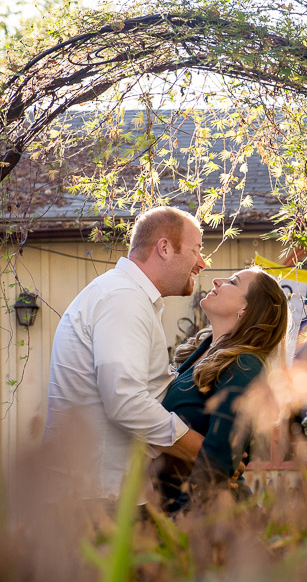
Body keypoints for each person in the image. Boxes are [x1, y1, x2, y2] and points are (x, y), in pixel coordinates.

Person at [43, 206, 207, 502]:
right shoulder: (123, 299)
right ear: (165, 248)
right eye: (196, 250)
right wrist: (206, 454)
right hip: (97, 500)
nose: (202, 263)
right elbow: (125, 400)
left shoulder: (127, 297)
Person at [155, 266, 289, 512]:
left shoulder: (245, 366)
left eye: (233, 282)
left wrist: (178, 527)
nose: (217, 280)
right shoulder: (202, 353)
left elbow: (217, 464)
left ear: (246, 309)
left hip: (209, 521)